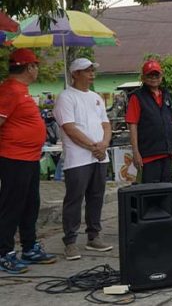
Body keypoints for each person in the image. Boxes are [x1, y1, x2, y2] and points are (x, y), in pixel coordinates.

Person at [0, 49, 56, 274]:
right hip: (14, 158)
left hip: (30, 158)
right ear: (29, 67)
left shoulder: (21, 90)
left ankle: (29, 247)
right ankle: (4, 252)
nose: (37, 70)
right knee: (11, 206)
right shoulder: (10, 90)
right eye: (36, 66)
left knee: (30, 205)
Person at [53, 58, 113, 261]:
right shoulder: (66, 97)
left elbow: (106, 124)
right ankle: (70, 241)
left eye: (92, 71)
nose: (91, 74)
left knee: (96, 197)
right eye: (87, 71)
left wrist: (104, 144)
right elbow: (69, 128)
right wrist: (92, 146)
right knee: (74, 199)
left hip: (99, 157)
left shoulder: (97, 97)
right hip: (78, 158)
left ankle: (93, 235)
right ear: (75, 74)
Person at [125, 60, 172, 183]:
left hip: (167, 153)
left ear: (161, 76)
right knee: (151, 194)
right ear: (143, 78)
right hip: (149, 155)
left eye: (156, 75)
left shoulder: (166, 95)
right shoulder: (137, 97)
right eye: (150, 75)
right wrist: (135, 152)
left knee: (167, 192)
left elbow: (170, 122)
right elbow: (133, 125)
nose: (153, 78)